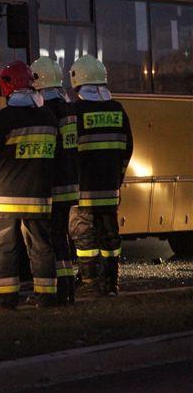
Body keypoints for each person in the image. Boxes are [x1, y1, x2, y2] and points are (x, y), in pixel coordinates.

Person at [0, 60, 58, 310]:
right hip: (38, 194)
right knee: (41, 247)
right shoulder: (48, 117)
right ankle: (46, 296)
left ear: (9, 86)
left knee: (4, 248)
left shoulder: (1, 119)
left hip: (5, 196)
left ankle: (5, 299)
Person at [68, 55, 133, 297]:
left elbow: (70, 149)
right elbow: (128, 148)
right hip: (110, 189)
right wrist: (118, 177)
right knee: (110, 237)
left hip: (82, 190)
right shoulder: (117, 109)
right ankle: (111, 284)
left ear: (77, 82)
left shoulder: (75, 112)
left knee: (84, 237)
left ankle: (89, 283)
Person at [31, 56, 77, 305]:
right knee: (62, 237)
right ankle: (68, 288)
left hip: (53, 184)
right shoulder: (68, 107)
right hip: (70, 182)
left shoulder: (46, 111)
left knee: (53, 238)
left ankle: (60, 291)